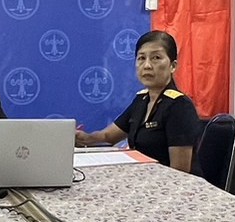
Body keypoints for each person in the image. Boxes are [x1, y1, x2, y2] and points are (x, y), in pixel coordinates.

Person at [74, 31, 200, 172]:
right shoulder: (142, 100)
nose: (147, 65)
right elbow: (108, 136)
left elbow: (180, 171)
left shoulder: (179, 107)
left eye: (156, 58)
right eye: (141, 58)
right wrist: (83, 138)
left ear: (173, 66)